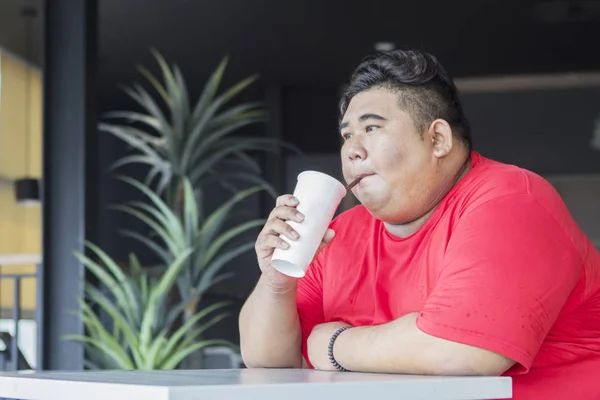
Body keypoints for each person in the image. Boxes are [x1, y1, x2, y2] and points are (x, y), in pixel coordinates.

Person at [238, 49, 600, 399]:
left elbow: (463, 353)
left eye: (372, 128)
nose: (352, 149)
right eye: (347, 134)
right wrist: (278, 281)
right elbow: (269, 361)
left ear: (438, 139)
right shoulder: (341, 231)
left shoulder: (510, 200)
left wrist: (334, 345)